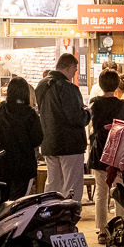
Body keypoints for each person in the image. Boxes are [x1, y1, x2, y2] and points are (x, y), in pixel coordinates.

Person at [35, 54, 89, 202]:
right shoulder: (68, 87)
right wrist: (87, 113)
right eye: (75, 69)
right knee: (71, 188)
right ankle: (68, 221)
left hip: (49, 143)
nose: (74, 73)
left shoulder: (41, 85)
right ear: (70, 67)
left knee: (53, 185)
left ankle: (50, 218)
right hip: (70, 145)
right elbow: (76, 117)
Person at [88, 70, 124, 244]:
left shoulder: (95, 103)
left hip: (100, 151)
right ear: (116, 85)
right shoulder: (123, 106)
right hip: (118, 152)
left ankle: (102, 230)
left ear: (100, 84)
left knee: (101, 192)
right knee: (120, 190)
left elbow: (93, 125)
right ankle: (121, 227)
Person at [0, 77, 44, 200]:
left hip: (1, 166)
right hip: (23, 167)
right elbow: (38, 139)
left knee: (1, 203)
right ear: (26, 93)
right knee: (18, 204)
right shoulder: (30, 114)